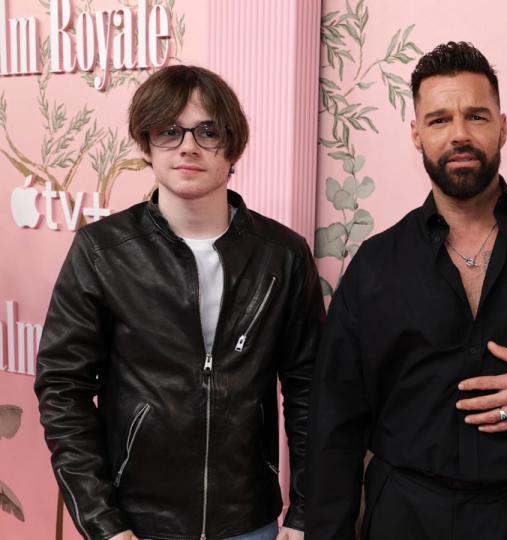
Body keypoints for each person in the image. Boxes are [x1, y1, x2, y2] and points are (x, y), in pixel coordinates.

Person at [306, 41, 507, 540]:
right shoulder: (376, 263)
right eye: (439, 120)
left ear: (502, 126)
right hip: (402, 514)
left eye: (476, 116)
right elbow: (335, 420)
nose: (459, 134)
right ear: (416, 134)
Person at [34, 65, 323, 540]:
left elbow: (309, 390)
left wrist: (304, 514)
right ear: (146, 144)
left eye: (208, 131)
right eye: (169, 131)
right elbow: (63, 390)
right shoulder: (102, 252)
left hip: (248, 520)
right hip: (137, 524)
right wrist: (103, 525)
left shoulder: (283, 255)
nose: (188, 146)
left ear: (233, 146)